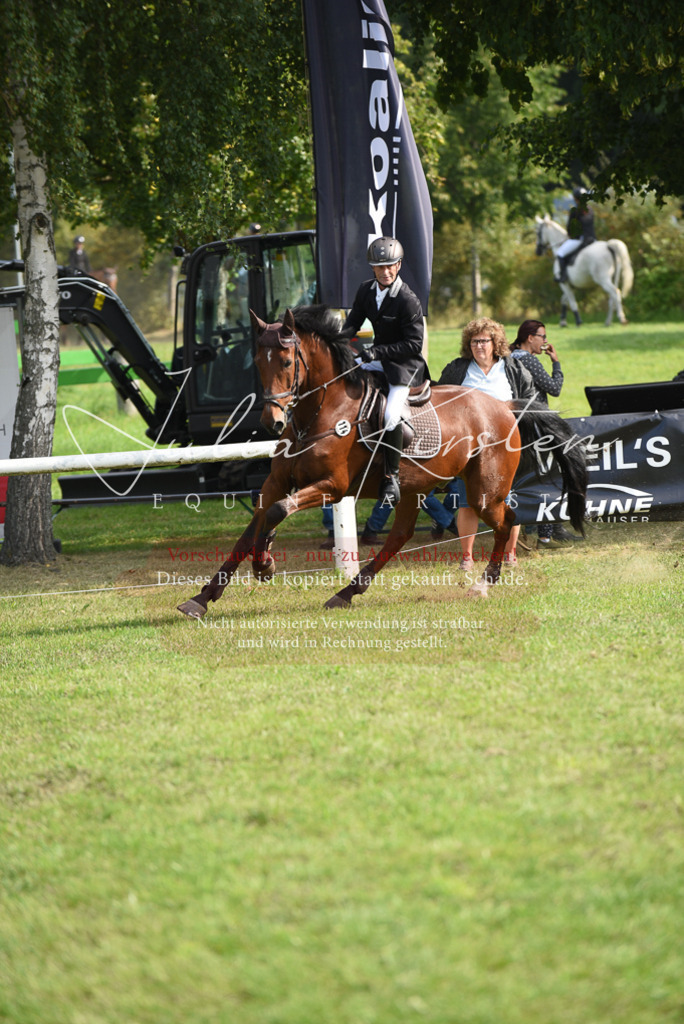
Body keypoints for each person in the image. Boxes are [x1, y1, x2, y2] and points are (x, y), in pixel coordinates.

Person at [437, 317, 535, 570]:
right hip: (465, 447)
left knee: (506, 500)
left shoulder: (512, 368)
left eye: (484, 341)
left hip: (504, 446)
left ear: (496, 343)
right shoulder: (457, 369)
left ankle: (510, 553)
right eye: (474, 341)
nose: (479, 346)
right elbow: (441, 404)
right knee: (468, 503)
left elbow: (528, 403)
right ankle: (467, 558)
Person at [342, 236, 430, 508]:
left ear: (399, 265)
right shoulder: (366, 291)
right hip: (377, 359)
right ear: (372, 268)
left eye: (390, 265)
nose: (386, 271)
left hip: (406, 367)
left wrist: (377, 352)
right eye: (380, 266)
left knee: (392, 414)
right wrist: (334, 344)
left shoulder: (408, 300)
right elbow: (352, 324)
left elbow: (414, 344)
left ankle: (391, 477)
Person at [508, 319, 577, 546]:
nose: (545, 341)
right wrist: (556, 363)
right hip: (537, 424)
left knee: (526, 477)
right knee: (545, 476)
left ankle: (547, 527)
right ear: (530, 338)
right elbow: (554, 388)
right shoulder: (528, 359)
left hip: (516, 424)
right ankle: (547, 533)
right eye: (542, 337)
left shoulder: (510, 357)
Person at [555, 187, 596, 283]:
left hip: (580, 240)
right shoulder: (591, 210)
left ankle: (563, 276)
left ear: (575, 199)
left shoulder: (574, 211)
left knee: (560, 253)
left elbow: (570, 228)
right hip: (593, 239)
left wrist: (570, 235)